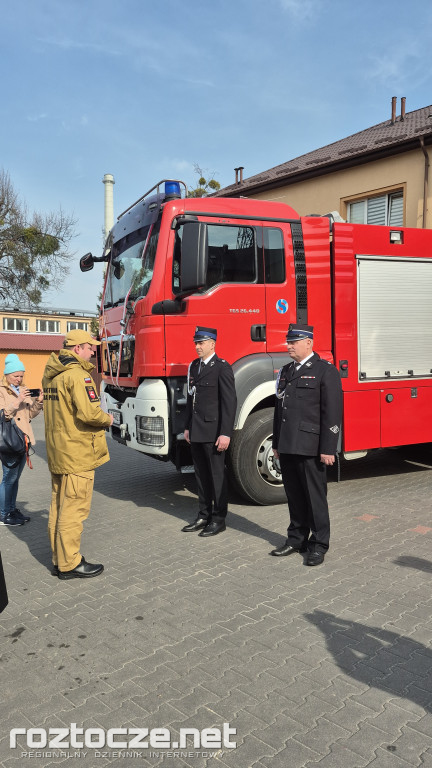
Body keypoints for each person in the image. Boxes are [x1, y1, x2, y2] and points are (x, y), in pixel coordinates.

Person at [42, 330, 113, 579]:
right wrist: (108, 418)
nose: (93, 351)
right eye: (89, 347)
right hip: (77, 454)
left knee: (59, 508)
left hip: (58, 452)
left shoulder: (51, 375)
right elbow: (90, 414)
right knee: (74, 511)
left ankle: (59, 559)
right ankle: (70, 563)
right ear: (77, 348)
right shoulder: (78, 376)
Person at [271, 324, 342, 566]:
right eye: (288, 341)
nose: (289, 345)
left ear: (309, 342)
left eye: (294, 341)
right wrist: (276, 441)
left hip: (311, 446)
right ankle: (296, 539)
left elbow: (332, 413)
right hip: (288, 444)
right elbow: (279, 409)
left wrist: (328, 448)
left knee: (315, 497)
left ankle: (319, 544)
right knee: (295, 496)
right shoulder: (286, 371)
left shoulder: (324, 371)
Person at [181, 326, 237, 537]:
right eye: (196, 343)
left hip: (214, 433)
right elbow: (190, 399)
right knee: (201, 476)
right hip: (196, 431)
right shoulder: (194, 366)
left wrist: (225, 433)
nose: (197, 347)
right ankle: (203, 514)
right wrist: (187, 426)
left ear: (212, 344)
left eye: (201, 343)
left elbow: (229, 402)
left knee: (216, 477)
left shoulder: (222, 367)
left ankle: (218, 518)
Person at [0, 354, 44, 526]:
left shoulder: (22, 389)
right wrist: (18, 400)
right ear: (7, 375)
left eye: (21, 375)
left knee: (15, 479)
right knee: (8, 478)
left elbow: (29, 414)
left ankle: (11, 509)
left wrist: (38, 403)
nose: (19, 379)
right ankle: (4, 514)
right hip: (9, 441)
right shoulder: (2, 391)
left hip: (23, 440)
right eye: (15, 376)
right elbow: (4, 415)